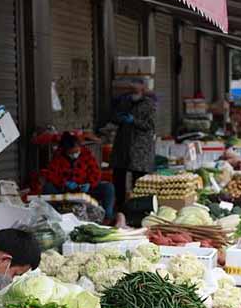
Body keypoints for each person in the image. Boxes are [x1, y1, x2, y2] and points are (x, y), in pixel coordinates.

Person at [42, 132, 122, 226]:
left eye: (76, 152)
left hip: (85, 190)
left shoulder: (86, 155)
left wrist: (90, 184)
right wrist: (64, 183)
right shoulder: (58, 157)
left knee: (108, 187)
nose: (75, 154)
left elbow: (96, 173)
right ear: (65, 150)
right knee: (48, 187)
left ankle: (107, 218)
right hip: (65, 191)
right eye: (71, 153)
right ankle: (51, 216)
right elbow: (51, 175)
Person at [109, 78, 156, 217]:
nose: (132, 87)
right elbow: (113, 118)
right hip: (123, 143)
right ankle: (120, 207)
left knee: (139, 179)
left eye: (136, 85)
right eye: (131, 85)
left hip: (139, 146)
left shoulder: (149, 104)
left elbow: (150, 126)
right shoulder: (124, 101)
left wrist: (133, 121)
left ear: (142, 88)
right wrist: (119, 118)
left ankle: (138, 207)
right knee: (118, 176)